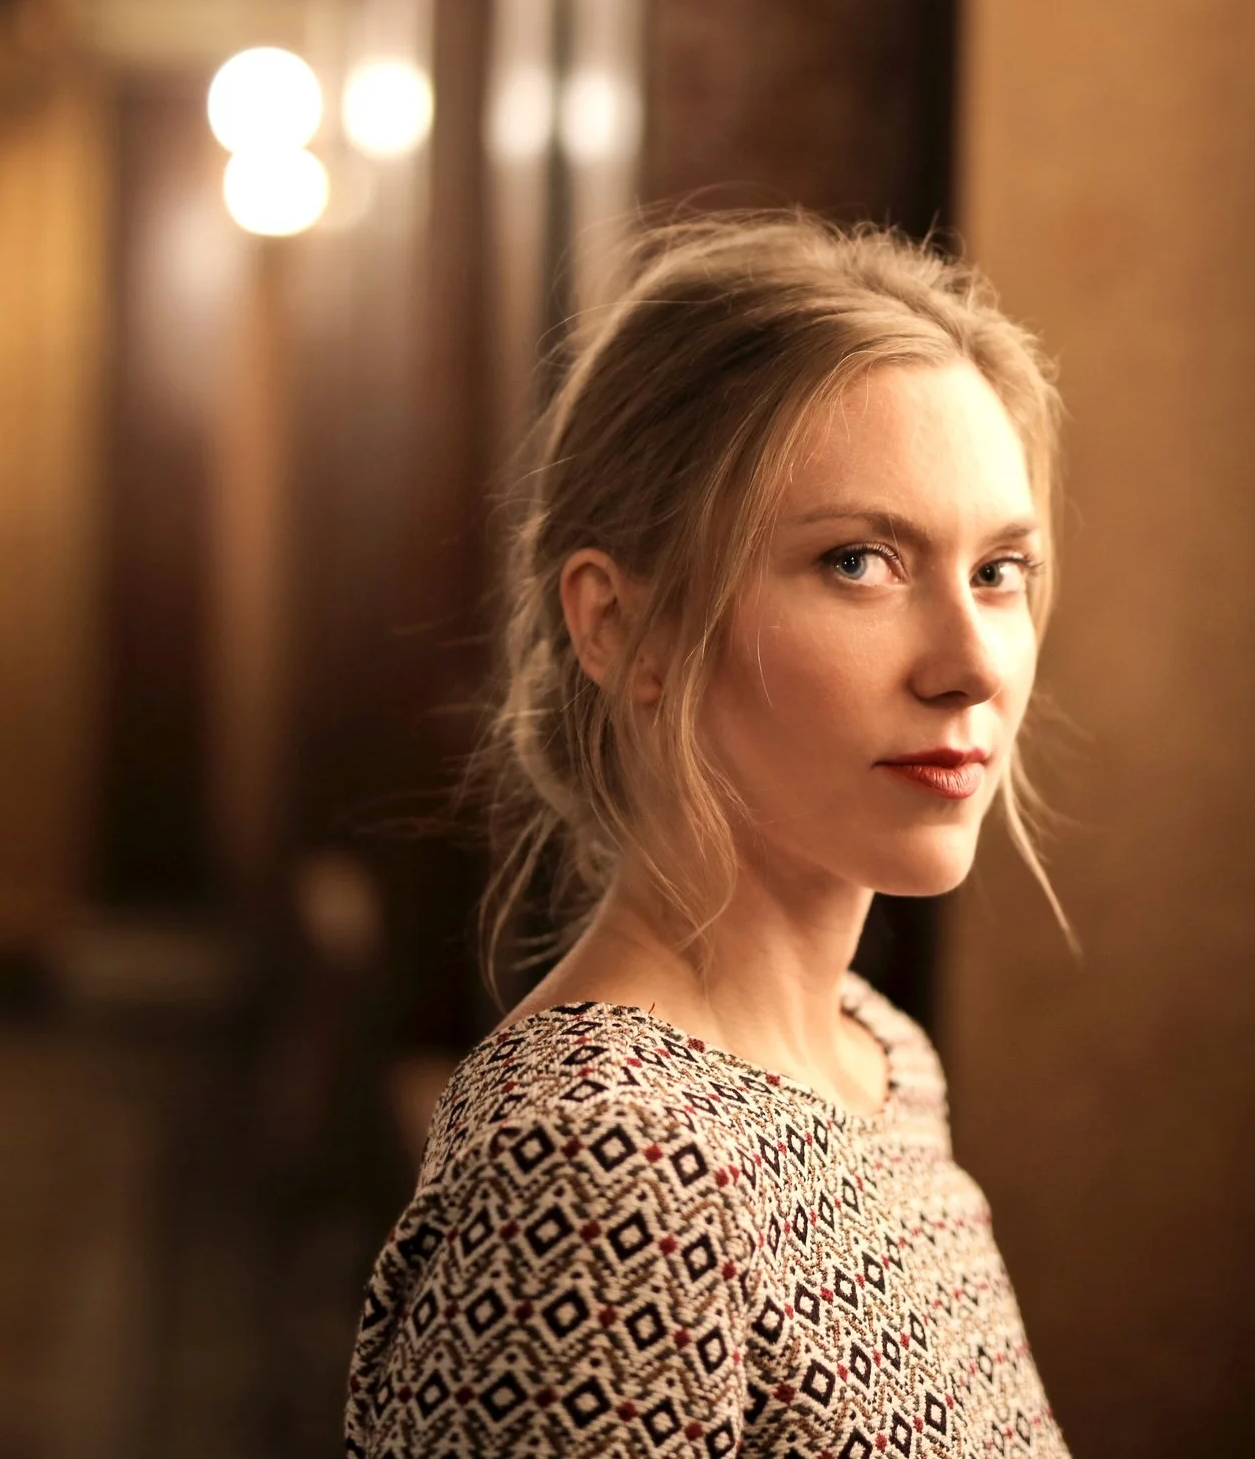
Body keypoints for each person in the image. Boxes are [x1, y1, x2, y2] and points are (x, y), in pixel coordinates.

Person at [345, 215, 1071, 1456]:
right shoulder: (596, 1163)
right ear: (624, 626)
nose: (970, 666)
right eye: (860, 560)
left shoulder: (880, 1060)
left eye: (999, 570)